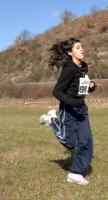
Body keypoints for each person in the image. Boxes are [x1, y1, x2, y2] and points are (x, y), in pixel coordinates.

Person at [39, 38, 102, 185]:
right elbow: (57, 91)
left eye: (82, 47)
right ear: (70, 52)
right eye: (78, 47)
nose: (82, 49)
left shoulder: (83, 67)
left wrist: (90, 86)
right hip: (69, 109)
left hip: (82, 110)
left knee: (87, 141)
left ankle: (75, 173)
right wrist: (73, 102)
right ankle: (52, 120)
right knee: (70, 144)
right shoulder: (68, 68)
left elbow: (80, 86)